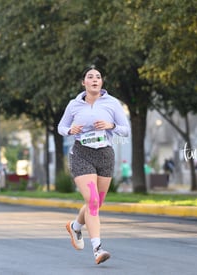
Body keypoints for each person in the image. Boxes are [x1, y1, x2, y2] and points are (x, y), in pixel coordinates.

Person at [58, 66, 130, 265]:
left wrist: (111, 126)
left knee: (97, 202)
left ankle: (75, 226)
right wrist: (70, 130)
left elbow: (125, 130)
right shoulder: (74, 105)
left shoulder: (112, 103)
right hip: (82, 153)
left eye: (98, 77)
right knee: (92, 200)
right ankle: (97, 248)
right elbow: (61, 127)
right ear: (84, 83)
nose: (95, 79)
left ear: (102, 83)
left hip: (105, 154)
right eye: (90, 77)